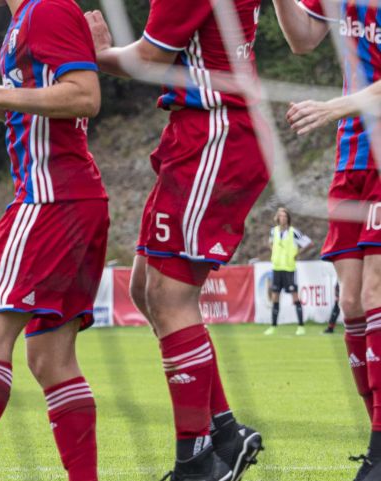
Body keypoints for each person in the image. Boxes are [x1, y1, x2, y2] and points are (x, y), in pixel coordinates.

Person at [84, 2, 266, 480]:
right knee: (145, 288)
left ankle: (196, 461)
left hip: (216, 130)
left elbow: (150, 57)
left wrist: (95, 54)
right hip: (198, 130)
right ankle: (224, 434)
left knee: (169, 296)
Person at [0, 1, 107, 480]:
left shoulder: (44, 9)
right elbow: (36, 113)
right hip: (74, 200)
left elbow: (85, 97)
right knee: (51, 358)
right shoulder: (25, 20)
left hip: (49, 199)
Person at [272, 0, 381, 478]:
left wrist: (332, 106)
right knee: (351, 302)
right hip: (352, 157)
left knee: (376, 293)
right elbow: (303, 39)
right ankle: (376, 441)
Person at [265, 207, 314, 336]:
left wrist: (297, 253)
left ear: (288, 218)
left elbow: (309, 243)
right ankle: (273, 326)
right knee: (275, 296)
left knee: (295, 296)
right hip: (276, 268)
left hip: (289, 268)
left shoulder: (294, 232)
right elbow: (270, 243)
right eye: (280, 216)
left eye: (285, 216)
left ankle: (301, 326)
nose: (283, 218)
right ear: (277, 218)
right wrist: (274, 252)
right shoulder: (273, 231)